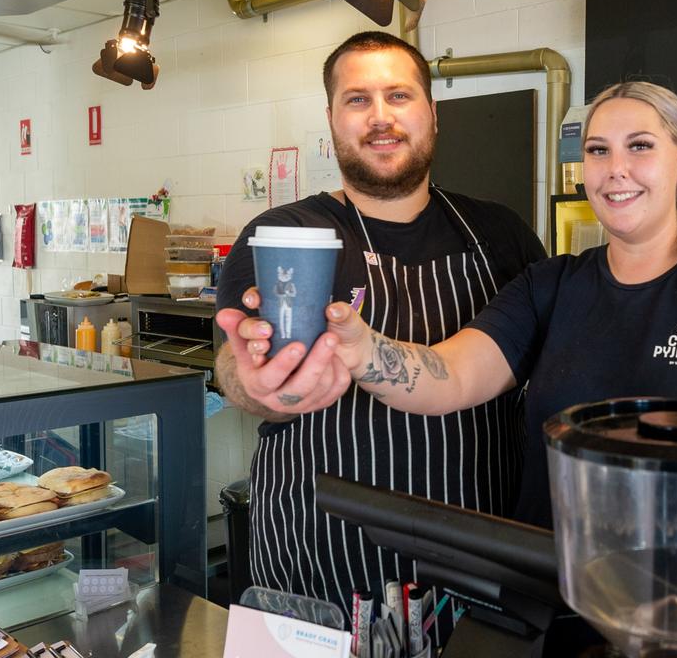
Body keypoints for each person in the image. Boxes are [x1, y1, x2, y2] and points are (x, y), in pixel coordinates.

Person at [228, 80, 677, 558]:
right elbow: (452, 374)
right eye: (599, 151)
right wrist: (363, 349)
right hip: (553, 600)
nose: (615, 169)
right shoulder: (552, 284)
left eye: (639, 146)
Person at [214, 31, 546, 621]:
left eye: (399, 96)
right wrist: (253, 383)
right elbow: (236, 363)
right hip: (320, 563)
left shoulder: (501, 233)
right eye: (358, 100)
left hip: (480, 558)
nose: (381, 117)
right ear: (332, 119)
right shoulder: (286, 236)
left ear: (432, 114)